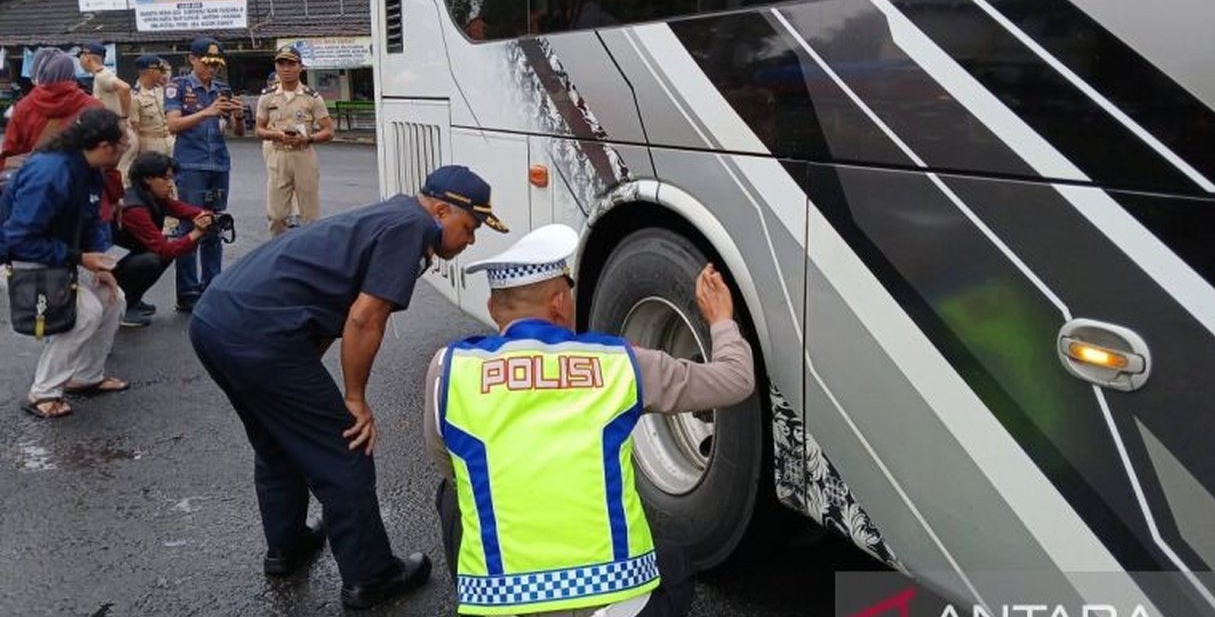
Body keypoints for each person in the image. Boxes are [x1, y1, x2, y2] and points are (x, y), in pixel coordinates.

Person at [187, 164, 508, 609]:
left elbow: (326, 314)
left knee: (277, 440)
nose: (470, 240)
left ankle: (289, 546)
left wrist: (300, 378)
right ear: (440, 211)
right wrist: (354, 399)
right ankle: (371, 577)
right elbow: (363, 318)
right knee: (346, 450)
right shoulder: (412, 229)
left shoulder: (392, 217)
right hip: (257, 334)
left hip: (217, 321)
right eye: (470, 228)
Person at [425, 224, 755, 616]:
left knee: (455, 492)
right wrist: (720, 319)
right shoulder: (622, 364)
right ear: (560, 303)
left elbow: (447, 464)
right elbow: (735, 381)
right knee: (674, 563)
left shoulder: (449, 370)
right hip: (614, 603)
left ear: (494, 309)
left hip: (502, 606)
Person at [0, 108, 132, 419]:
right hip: (24, 257)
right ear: (104, 146)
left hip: (60, 253)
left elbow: (91, 221)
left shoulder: (89, 169)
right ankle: (42, 393)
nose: (127, 149)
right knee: (85, 313)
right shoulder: (50, 173)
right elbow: (20, 239)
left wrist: (99, 266)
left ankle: (85, 377)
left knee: (113, 300)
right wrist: (80, 258)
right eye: (123, 144)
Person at [164, 36, 245, 312]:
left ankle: (212, 286)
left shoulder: (222, 89)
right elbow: (173, 124)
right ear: (193, 59)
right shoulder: (179, 86)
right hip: (191, 165)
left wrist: (238, 117)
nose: (211, 69)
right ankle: (187, 292)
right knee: (190, 227)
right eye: (207, 63)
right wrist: (208, 111)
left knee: (214, 226)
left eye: (216, 64)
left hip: (219, 165)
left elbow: (239, 133)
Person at [113, 151, 214, 328]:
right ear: (147, 179)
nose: (170, 184)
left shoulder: (152, 197)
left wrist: (207, 215)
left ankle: (132, 299)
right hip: (107, 266)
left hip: (123, 258)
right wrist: (196, 233)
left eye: (171, 179)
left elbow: (184, 209)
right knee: (154, 259)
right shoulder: (135, 209)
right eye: (165, 179)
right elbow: (164, 250)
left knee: (161, 255)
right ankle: (123, 306)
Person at [255, 45, 333, 235]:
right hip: (279, 155)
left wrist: (309, 139)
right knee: (276, 215)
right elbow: (259, 129)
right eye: (281, 64)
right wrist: (275, 135)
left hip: (303, 155)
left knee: (310, 216)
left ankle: (310, 257)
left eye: (291, 63)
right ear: (276, 67)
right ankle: (278, 255)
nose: (286, 68)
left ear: (300, 67)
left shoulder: (312, 97)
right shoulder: (267, 97)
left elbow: (329, 131)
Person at [1, 50, 102, 192]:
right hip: (83, 189)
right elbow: (106, 153)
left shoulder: (23, 107)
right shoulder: (93, 106)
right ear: (71, 72)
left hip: (35, 187)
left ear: (37, 72)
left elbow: (9, 154)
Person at [119, 54, 174, 186]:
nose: (161, 74)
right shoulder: (135, 96)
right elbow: (135, 128)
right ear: (150, 71)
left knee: (172, 182)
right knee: (154, 183)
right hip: (150, 145)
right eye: (158, 70)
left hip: (170, 142)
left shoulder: (162, 91)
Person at [78, 41, 132, 119]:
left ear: (87, 57)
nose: (80, 61)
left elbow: (125, 87)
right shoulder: (101, 74)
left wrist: (124, 117)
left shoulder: (102, 76)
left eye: (80, 56)